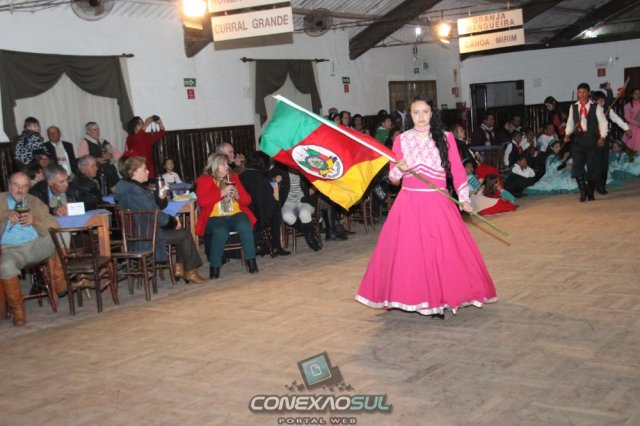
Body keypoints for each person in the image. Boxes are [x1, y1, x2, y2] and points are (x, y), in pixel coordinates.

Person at [356, 96, 497, 319]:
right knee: (410, 253)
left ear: (432, 113)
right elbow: (393, 179)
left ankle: (439, 300)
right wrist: (400, 169)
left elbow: (457, 170)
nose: (420, 117)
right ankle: (411, 296)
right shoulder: (401, 139)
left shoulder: (446, 137)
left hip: (438, 202)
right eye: (416, 112)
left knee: (440, 252)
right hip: (409, 203)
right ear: (410, 115)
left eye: (425, 112)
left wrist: (464, 198)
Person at [115, 156, 205, 284]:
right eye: (144, 169)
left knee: (181, 233)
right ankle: (190, 272)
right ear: (134, 172)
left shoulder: (130, 188)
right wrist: (173, 222)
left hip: (142, 231)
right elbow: (156, 216)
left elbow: (152, 209)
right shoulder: (136, 191)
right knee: (184, 234)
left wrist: (161, 199)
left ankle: (180, 268)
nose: (148, 172)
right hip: (146, 235)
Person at [0, 172, 59, 326]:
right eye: (16, 185)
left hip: (35, 246)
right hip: (10, 249)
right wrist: (4, 214)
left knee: (61, 237)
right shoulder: (0, 200)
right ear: (9, 185)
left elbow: (55, 226)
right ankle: (18, 311)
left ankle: (60, 284)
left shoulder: (35, 202)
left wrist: (36, 221)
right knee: (6, 266)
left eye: (24, 186)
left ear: (29, 188)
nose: (20, 190)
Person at [196, 153, 258, 279]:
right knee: (220, 230)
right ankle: (215, 267)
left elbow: (248, 200)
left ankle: (251, 261)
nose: (227, 166)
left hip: (235, 213)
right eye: (223, 164)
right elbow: (202, 202)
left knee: (245, 224)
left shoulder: (233, 178)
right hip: (214, 217)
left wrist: (238, 196)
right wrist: (221, 193)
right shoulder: (204, 180)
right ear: (215, 166)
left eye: (227, 164)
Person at [239, 152, 291, 257]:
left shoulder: (242, 176)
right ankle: (276, 246)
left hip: (245, 211)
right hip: (259, 213)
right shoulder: (259, 177)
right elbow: (268, 198)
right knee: (276, 211)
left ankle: (260, 244)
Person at [564, 83, 608, 202]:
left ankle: (590, 191)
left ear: (588, 93)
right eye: (579, 92)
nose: (581, 94)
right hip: (577, 139)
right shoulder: (573, 107)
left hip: (592, 138)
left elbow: (603, 122)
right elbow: (570, 123)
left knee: (592, 166)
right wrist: (567, 134)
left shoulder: (595, 107)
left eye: (584, 92)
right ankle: (583, 191)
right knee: (577, 165)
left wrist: (602, 136)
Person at [592, 90, 632, 194]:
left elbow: (617, 119)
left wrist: (626, 128)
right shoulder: (589, 110)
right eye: (600, 101)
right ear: (594, 102)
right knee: (595, 163)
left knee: (604, 164)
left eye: (603, 101)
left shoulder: (607, 109)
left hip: (604, 139)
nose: (603, 103)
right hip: (593, 140)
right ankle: (595, 184)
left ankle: (602, 185)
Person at [30, 165, 97, 215]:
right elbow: (36, 212)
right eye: (61, 182)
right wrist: (54, 211)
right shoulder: (37, 192)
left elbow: (92, 201)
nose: (66, 184)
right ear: (50, 182)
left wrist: (73, 207)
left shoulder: (72, 187)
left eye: (67, 180)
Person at [125, 116, 166, 181]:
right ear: (134, 126)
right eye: (139, 123)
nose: (142, 125)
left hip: (149, 167)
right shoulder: (130, 138)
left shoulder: (146, 136)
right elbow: (138, 138)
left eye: (142, 123)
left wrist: (160, 123)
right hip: (138, 168)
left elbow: (161, 133)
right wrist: (146, 124)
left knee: (151, 185)